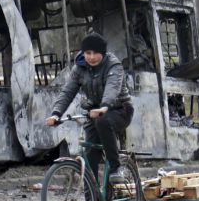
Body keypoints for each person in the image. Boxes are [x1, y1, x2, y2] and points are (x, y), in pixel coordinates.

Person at [44, 33, 133, 184]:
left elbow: (112, 88)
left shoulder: (113, 65)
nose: (91, 57)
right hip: (94, 113)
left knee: (103, 122)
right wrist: (56, 114)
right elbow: (67, 92)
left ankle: (115, 168)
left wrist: (105, 106)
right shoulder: (79, 68)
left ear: (103, 53)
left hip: (119, 109)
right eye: (88, 53)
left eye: (96, 53)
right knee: (90, 157)